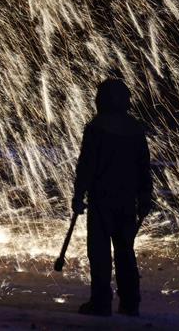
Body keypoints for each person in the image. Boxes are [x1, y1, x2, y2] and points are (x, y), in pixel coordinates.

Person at [71, 78, 153, 317]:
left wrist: (78, 195)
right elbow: (143, 166)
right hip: (127, 201)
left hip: (102, 199)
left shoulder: (96, 128)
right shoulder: (135, 129)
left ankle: (101, 301)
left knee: (99, 253)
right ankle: (130, 301)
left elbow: (86, 166)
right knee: (126, 251)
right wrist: (145, 196)